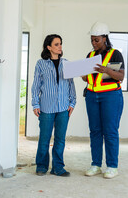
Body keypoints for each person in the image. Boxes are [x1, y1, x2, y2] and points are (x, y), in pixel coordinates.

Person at [82, 22, 124, 179]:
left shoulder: (115, 54)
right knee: (95, 131)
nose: (93, 43)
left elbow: (120, 77)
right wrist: (83, 73)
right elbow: (87, 78)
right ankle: (96, 165)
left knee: (110, 131)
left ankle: (112, 166)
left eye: (96, 40)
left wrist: (106, 70)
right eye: (92, 39)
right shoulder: (90, 55)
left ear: (105, 38)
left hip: (111, 96)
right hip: (92, 96)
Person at [32, 34, 76, 177]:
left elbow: (71, 84)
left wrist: (72, 102)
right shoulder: (41, 64)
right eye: (56, 44)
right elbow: (36, 85)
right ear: (49, 47)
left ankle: (58, 167)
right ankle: (41, 166)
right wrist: (35, 103)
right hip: (46, 108)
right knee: (44, 138)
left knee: (60, 139)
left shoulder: (66, 63)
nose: (60, 47)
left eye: (61, 44)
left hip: (63, 108)